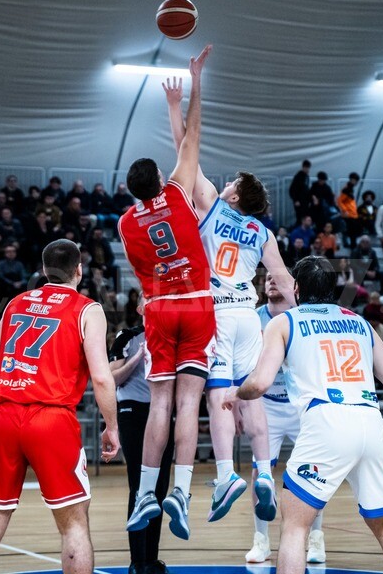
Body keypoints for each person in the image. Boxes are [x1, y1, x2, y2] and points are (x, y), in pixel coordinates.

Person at [223, 256, 383, 574]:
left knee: (294, 528)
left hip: (326, 420)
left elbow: (259, 383)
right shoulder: (360, 323)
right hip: (370, 422)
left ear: (296, 288)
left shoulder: (284, 322)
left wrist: (235, 392)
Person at [164, 74, 296, 525]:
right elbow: (284, 282)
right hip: (248, 316)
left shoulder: (213, 207)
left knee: (219, 397)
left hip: (216, 313)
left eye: (231, 182)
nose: (223, 184)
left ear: (234, 194)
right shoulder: (263, 233)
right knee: (252, 397)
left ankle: (225, 476)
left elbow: (186, 153)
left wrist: (175, 106)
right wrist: (302, 322)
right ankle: (264, 473)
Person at [0, 239, 121, 574]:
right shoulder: (88, 309)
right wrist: (112, 426)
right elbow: (102, 378)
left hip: (5, 412)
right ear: (79, 270)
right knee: (74, 525)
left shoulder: (15, 303)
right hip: (51, 417)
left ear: (45, 270)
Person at [119, 44, 214, 541]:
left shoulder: (124, 223)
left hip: (158, 309)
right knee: (189, 403)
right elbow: (191, 137)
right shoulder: (177, 192)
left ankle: (144, 495)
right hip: (197, 304)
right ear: (160, 178)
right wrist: (194, 83)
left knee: (160, 403)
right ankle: (181, 491)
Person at [244, 273, 327, 565]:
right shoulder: (253, 319)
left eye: (277, 277)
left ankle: (316, 539)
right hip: (266, 405)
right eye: (267, 278)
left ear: (294, 287)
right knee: (260, 473)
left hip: (300, 404)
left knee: (314, 472)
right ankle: (261, 541)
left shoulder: (302, 318)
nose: (271, 281)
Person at [110, 298, 174, 574]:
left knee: (160, 487)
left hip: (164, 413)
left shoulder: (172, 337)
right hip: (133, 411)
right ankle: (137, 561)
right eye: (149, 300)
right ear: (140, 309)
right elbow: (112, 378)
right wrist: (138, 357)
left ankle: (152, 559)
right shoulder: (127, 337)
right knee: (139, 484)